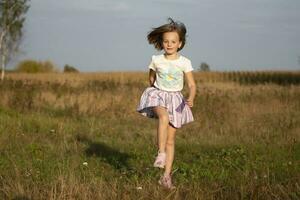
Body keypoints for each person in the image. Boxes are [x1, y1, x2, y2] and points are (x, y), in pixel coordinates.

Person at [137, 18, 196, 189]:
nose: (169, 44)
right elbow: (151, 78)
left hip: (176, 99)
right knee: (163, 117)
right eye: (166, 41)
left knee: (171, 140)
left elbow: (192, 84)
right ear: (162, 43)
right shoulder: (156, 59)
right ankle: (160, 153)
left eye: (173, 42)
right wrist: (154, 88)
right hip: (159, 95)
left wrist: (191, 97)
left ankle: (166, 177)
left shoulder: (184, 62)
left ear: (180, 43)